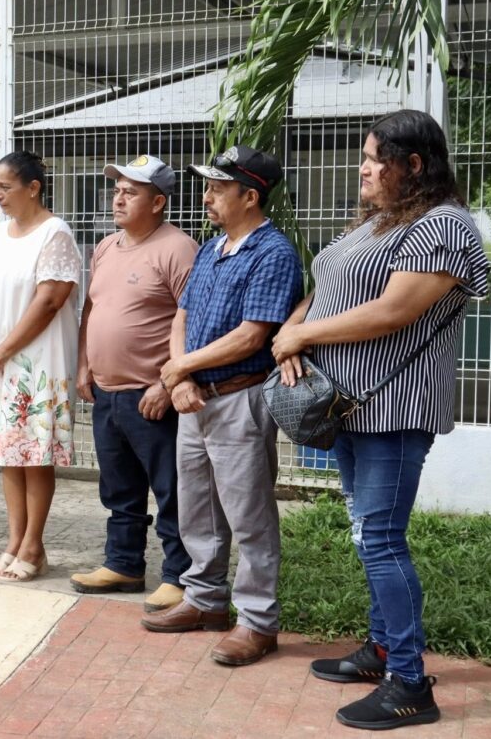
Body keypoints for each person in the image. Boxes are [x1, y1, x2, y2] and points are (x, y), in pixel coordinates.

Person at [271, 111, 489, 730]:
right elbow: (326, 284)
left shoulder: (443, 226)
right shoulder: (380, 220)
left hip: (392, 410)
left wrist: (303, 336)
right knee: (367, 535)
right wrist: (292, 329)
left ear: (413, 165)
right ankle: (383, 650)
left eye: (374, 159)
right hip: (346, 406)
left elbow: (394, 310)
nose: (362, 168)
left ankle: (410, 683)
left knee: (381, 538)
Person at [141, 145, 302, 669]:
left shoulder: (273, 253)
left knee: (249, 516)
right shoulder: (212, 248)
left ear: (250, 197)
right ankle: (205, 600)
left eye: (217, 189)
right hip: (195, 399)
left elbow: (252, 335)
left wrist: (179, 371)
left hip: (239, 399)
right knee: (198, 509)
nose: (207, 197)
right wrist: (181, 375)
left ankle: (257, 622)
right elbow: (181, 316)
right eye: (207, 187)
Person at [70, 156, 197, 610]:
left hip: (152, 395)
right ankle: (123, 564)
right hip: (106, 392)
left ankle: (180, 575)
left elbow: (193, 321)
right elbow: (92, 309)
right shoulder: (106, 246)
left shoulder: (178, 249)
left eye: (131, 192)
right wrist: (84, 365)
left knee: (171, 489)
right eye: (117, 190)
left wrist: (168, 383)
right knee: (118, 488)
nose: (118, 199)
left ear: (158, 202)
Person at [0, 151, 81, 582]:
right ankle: (15, 539)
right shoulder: (0, 232)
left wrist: (3, 349)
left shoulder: (55, 233)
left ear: (33, 188)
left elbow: (49, 301)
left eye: (5, 187)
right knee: (8, 454)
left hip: (35, 362)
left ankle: (34, 543)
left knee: (34, 454)